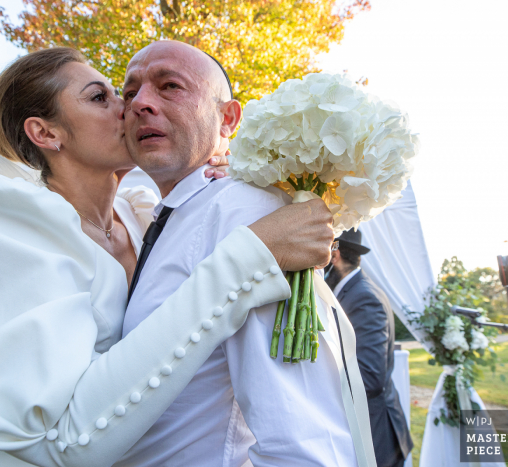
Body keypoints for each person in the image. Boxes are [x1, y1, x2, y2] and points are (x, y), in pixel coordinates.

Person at [0, 47, 334, 467]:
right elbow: (51, 441)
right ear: (46, 133)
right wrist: (248, 259)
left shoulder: (145, 214)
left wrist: (232, 172)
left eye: (123, 95)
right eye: (101, 97)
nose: (132, 107)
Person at [116, 40, 376, 467]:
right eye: (129, 93)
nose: (141, 103)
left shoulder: (248, 214)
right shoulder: (163, 216)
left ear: (229, 118)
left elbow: (303, 441)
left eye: (170, 86)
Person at [325, 229, 413, 467]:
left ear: (334, 255)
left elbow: (369, 376)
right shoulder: (354, 290)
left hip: (376, 434)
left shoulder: (363, 296)